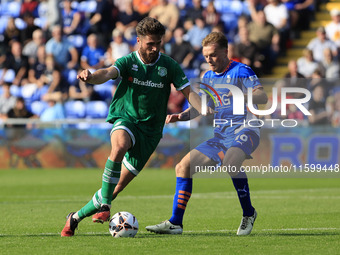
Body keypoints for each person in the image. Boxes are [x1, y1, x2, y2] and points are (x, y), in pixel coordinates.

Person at [61, 17, 213, 237]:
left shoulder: (168, 65)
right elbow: (107, 73)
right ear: (138, 41)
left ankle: (74, 217)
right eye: (149, 44)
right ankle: (105, 207)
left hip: (150, 133)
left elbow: (190, 93)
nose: (154, 48)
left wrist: (205, 109)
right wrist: (91, 76)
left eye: (158, 44)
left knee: (116, 187)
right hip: (127, 118)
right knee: (119, 145)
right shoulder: (128, 61)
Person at [145, 31, 268, 236]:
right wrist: (180, 116)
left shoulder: (241, 70)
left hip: (246, 128)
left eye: (213, 55)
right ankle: (176, 222)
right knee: (183, 167)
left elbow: (262, 96)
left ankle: (248, 213)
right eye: (206, 56)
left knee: (230, 162)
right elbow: (201, 107)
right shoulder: (208, 77)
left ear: (225, 51)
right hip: (221, 136)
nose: (209, 60)